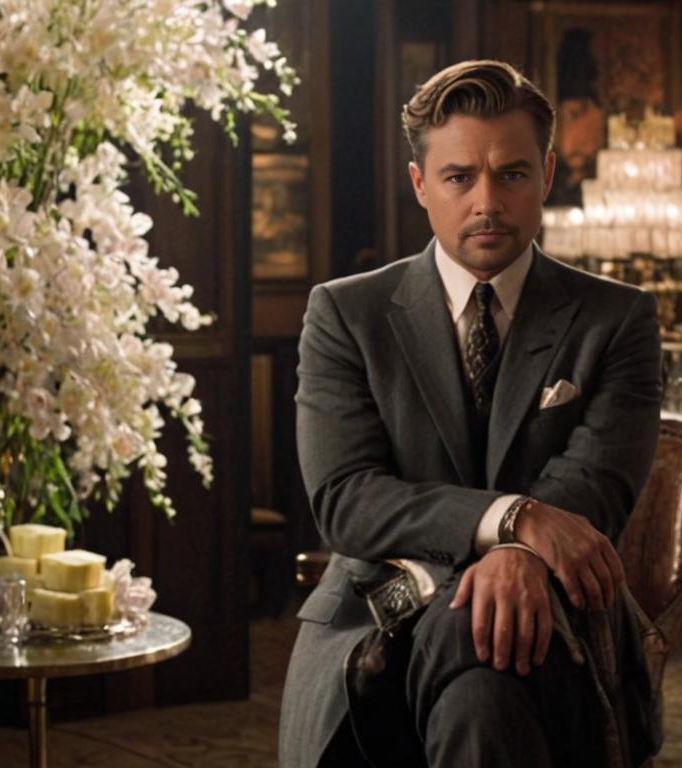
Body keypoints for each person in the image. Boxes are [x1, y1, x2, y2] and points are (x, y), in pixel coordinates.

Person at [279, 59, 662, 768]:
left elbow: (599, 483)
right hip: (374, 623)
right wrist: (515, 520)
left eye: (512, 174)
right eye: (460, 178)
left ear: (547, 175)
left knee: (481, 659)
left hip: (556, 624)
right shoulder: (345, 313)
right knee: (483, 671)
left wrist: (517, 556)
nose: (487, 201)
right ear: (421, 184)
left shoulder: (619, 319)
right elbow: (347, 500)